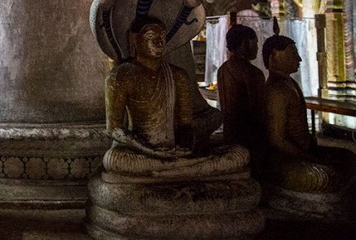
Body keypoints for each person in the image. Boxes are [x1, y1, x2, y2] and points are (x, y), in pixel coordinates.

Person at [102, 16, 248, 177]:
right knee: (114, 160)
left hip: (172, 152)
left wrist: (185, 146)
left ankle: (171, 169)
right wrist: (151, 150)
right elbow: (113, 128)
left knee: (240, 154)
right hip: (141, 153)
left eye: (163, 37)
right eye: (151, 36)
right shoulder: (121, 76)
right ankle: (184, 169)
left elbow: (185, 125)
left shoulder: (178, 75)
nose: (159, 42)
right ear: (134, 40)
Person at [262, 34, 356, 193]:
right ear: (273, 57)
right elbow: (277, 139)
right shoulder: (276, 91)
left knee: (348, 158)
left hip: (304, 150)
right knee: (328, 175)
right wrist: (307, 158)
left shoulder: (290, 83)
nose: (299, 59)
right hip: (290, 158)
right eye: (292, 54)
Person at [217, 24, 266, 169]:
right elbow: (258, 109)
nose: (257, 47)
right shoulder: (252, 73)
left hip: (229, 133)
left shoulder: (222, 69)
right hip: (249, 135)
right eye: (255, 42)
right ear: (244, 43)